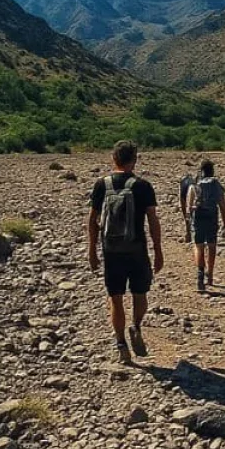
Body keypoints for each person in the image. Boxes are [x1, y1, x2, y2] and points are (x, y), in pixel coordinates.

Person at [88, 141, 163, 365]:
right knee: (140, 294)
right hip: (136, 249)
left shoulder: (102, 185)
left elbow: (92, 220)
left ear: (114, 159)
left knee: (115, 297)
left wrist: (92, 250)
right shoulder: (142, 186)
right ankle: (136, 326)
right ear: (135, 159)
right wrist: (158, 250)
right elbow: (152, 221)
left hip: (111, 250)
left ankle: (121, 343)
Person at [186, 158, 225, 293]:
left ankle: (200, 273)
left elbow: (189, 207)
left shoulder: (195, 185)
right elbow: (222, 205)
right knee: (211, 246)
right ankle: (210, 275)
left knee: (198, 246)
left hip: (198, 218)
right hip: (211, 217)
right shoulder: (216, 185)